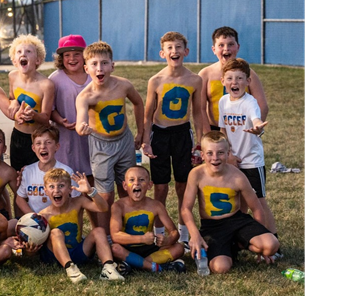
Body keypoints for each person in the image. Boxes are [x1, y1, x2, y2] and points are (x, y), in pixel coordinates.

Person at [178, 131, 280, 274]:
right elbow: (185, 209)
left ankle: (239, 242)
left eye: (220, 153)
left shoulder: (237, 176)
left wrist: (259, 233)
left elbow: (256, 208)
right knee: (220, 268)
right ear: (202, 155)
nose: (215, 158)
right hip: (212, 226)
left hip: (237, 221)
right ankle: (230, 247)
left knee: (271, 245)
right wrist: (195, 234)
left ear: (228, 153)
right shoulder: (196, 175)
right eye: (209, 153)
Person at [139, 31, 206, 249]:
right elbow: (148, 114)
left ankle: (184, 234)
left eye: (178, 47)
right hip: (159, 135)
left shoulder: (195, 80)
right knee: (160, 187)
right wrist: (146, 140)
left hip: (182, 135)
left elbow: (197, 113)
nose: (174, 51)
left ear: (186, 52)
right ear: (162, 53)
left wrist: (200, 142)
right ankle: (159, 234)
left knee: (183, 185)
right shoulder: (155, 80)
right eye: (169, 48)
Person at [75, 41, 146, 233]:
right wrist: (82, 128)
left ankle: (128, 230)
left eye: (104, 63)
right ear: (86, 68)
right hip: (101, 146)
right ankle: (106, 235)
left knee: (128, 188)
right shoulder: (85, 96)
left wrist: (141, 131)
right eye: (95, 64)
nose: (100, 68)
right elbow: (80, 121)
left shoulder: (123, 85)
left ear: (112, 65)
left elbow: (139, 104)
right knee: (105, 195)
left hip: (124, 141)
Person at [216, 58, 279, 249]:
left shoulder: (250, 102)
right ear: (223, 81)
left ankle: (273, 239)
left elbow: (257, 120)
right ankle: (241, 240)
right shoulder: (223, 101)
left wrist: (258, 128)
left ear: (248, 81)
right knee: (237, 201)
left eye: (239, 78)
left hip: (252, 161)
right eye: (230, 78)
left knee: (258, 201)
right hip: (233, 160)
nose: (234, 82)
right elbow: (223, 130)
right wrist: (228, 155)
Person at [36, 168, 125, 283]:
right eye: (52, 187)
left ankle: (108, 269)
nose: (56, 190)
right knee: (55, 232)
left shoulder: (78, 202)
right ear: (46, 191)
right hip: (54, 257)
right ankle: (70, 268)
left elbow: (103, 208)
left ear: (70, 189)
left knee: (98, 231)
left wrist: (90, 192)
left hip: (77, 251)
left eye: (61, 186)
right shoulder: (43, 215)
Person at [109, 166, 186, 274]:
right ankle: (157, 267)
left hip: (148, 249)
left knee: (179, 248)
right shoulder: (118, 206)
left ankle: (135, 264)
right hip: (126, 248)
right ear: (125, 186)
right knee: (114, 249)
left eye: (141, 180)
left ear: (149, 185)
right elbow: (115, 236)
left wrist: (167, 240)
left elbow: (173, 232)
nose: (137, 183)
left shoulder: (156, 205)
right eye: (132, 180)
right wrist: (142, 238)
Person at [198, 26, 269, 131]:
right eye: (221, 45)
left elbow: (262, 106)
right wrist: (208, 135)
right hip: (215, 130)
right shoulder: (205, 74)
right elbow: (200, 109)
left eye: (231, 44)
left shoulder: (249, 73)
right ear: (214, 49)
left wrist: (254, 128)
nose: (226, 49)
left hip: (242, 129)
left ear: (238, 47)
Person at [14, 125, 81, 234]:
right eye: (38, 143)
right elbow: (19, 198)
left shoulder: (66, 171)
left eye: (48, 142)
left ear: (57, 146)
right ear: (33, 148)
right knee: (11, 224)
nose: (43, 147)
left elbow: (77, 202)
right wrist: (34, 217)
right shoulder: (28, 171)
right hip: (35, 223)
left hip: (58, 223)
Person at [49, 34, 93, 188]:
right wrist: (60, 120)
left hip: (91, 135)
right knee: (68, 178)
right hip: (66, 136)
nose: (72, 59)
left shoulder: (93, 76)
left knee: (91, 177)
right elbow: (51, 108)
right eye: (67, 55)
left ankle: (95, 210)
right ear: (61, 58)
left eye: (77, 54)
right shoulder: (55, 79)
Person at [6, 34, 54, 172]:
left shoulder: (46, 85)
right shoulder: (12, 77)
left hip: (37, 138)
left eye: (29, 51)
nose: (23, 54)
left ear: (38, 60)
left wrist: (34, 115)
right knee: (18, 175)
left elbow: (46, 118)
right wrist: (14, 101)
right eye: (19, 52)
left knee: (38, 176)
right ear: (14, 60)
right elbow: (10, 97)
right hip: (17, 135)